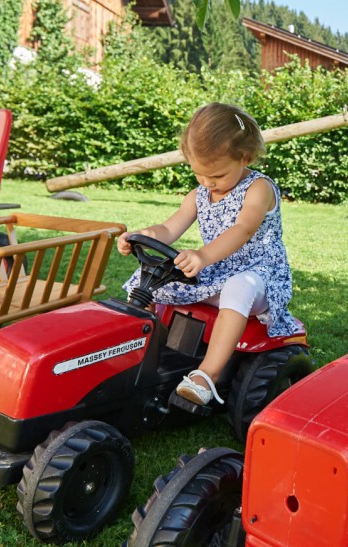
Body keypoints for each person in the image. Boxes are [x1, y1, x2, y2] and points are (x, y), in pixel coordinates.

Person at [117, 102, 298, 406]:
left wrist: (202, 256)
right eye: (199, 174)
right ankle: (137, 348)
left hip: (259, 277)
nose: (207, 182)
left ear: (245, 157)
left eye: (217, 175)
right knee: (148, 278)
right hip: (215, 274)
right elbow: (168, 228)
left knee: (238, 286)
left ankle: (206, 375)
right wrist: (141, 236)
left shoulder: (259, 189)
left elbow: (242, 229)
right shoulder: (199, 195)